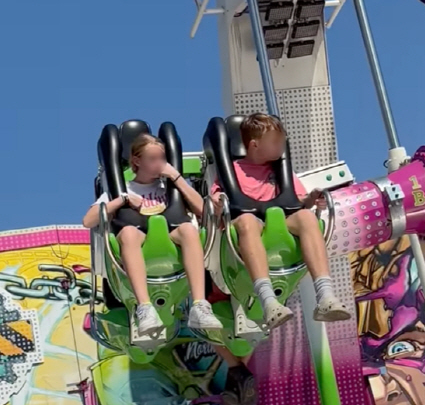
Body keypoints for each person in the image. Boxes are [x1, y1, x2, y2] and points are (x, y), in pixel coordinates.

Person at [211, 113, 351, 331]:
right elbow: (220, 203)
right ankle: (268, 300)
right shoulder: (232, 171)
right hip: (251, 229)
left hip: (282, 225)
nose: (281, 146)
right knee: (246, 220)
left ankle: (325, 295)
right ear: (255, 145)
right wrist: (217, 203)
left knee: (305, 217)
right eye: (276, 142)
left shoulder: (281, 172)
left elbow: (298, 202)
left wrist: (313, 199)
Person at [83, 134, 222, 341]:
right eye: (153, 159)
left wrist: (176, 177)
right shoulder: (124, 188)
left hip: (171, 245)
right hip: (140, 243)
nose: (160, 164)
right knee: (128, 233)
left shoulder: (169, 188)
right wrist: (121, 201)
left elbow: (203, 210)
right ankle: (144, 307)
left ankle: (199, 305)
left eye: (163, 158)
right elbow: (88, 220)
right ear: (137, 161)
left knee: (189, 230)